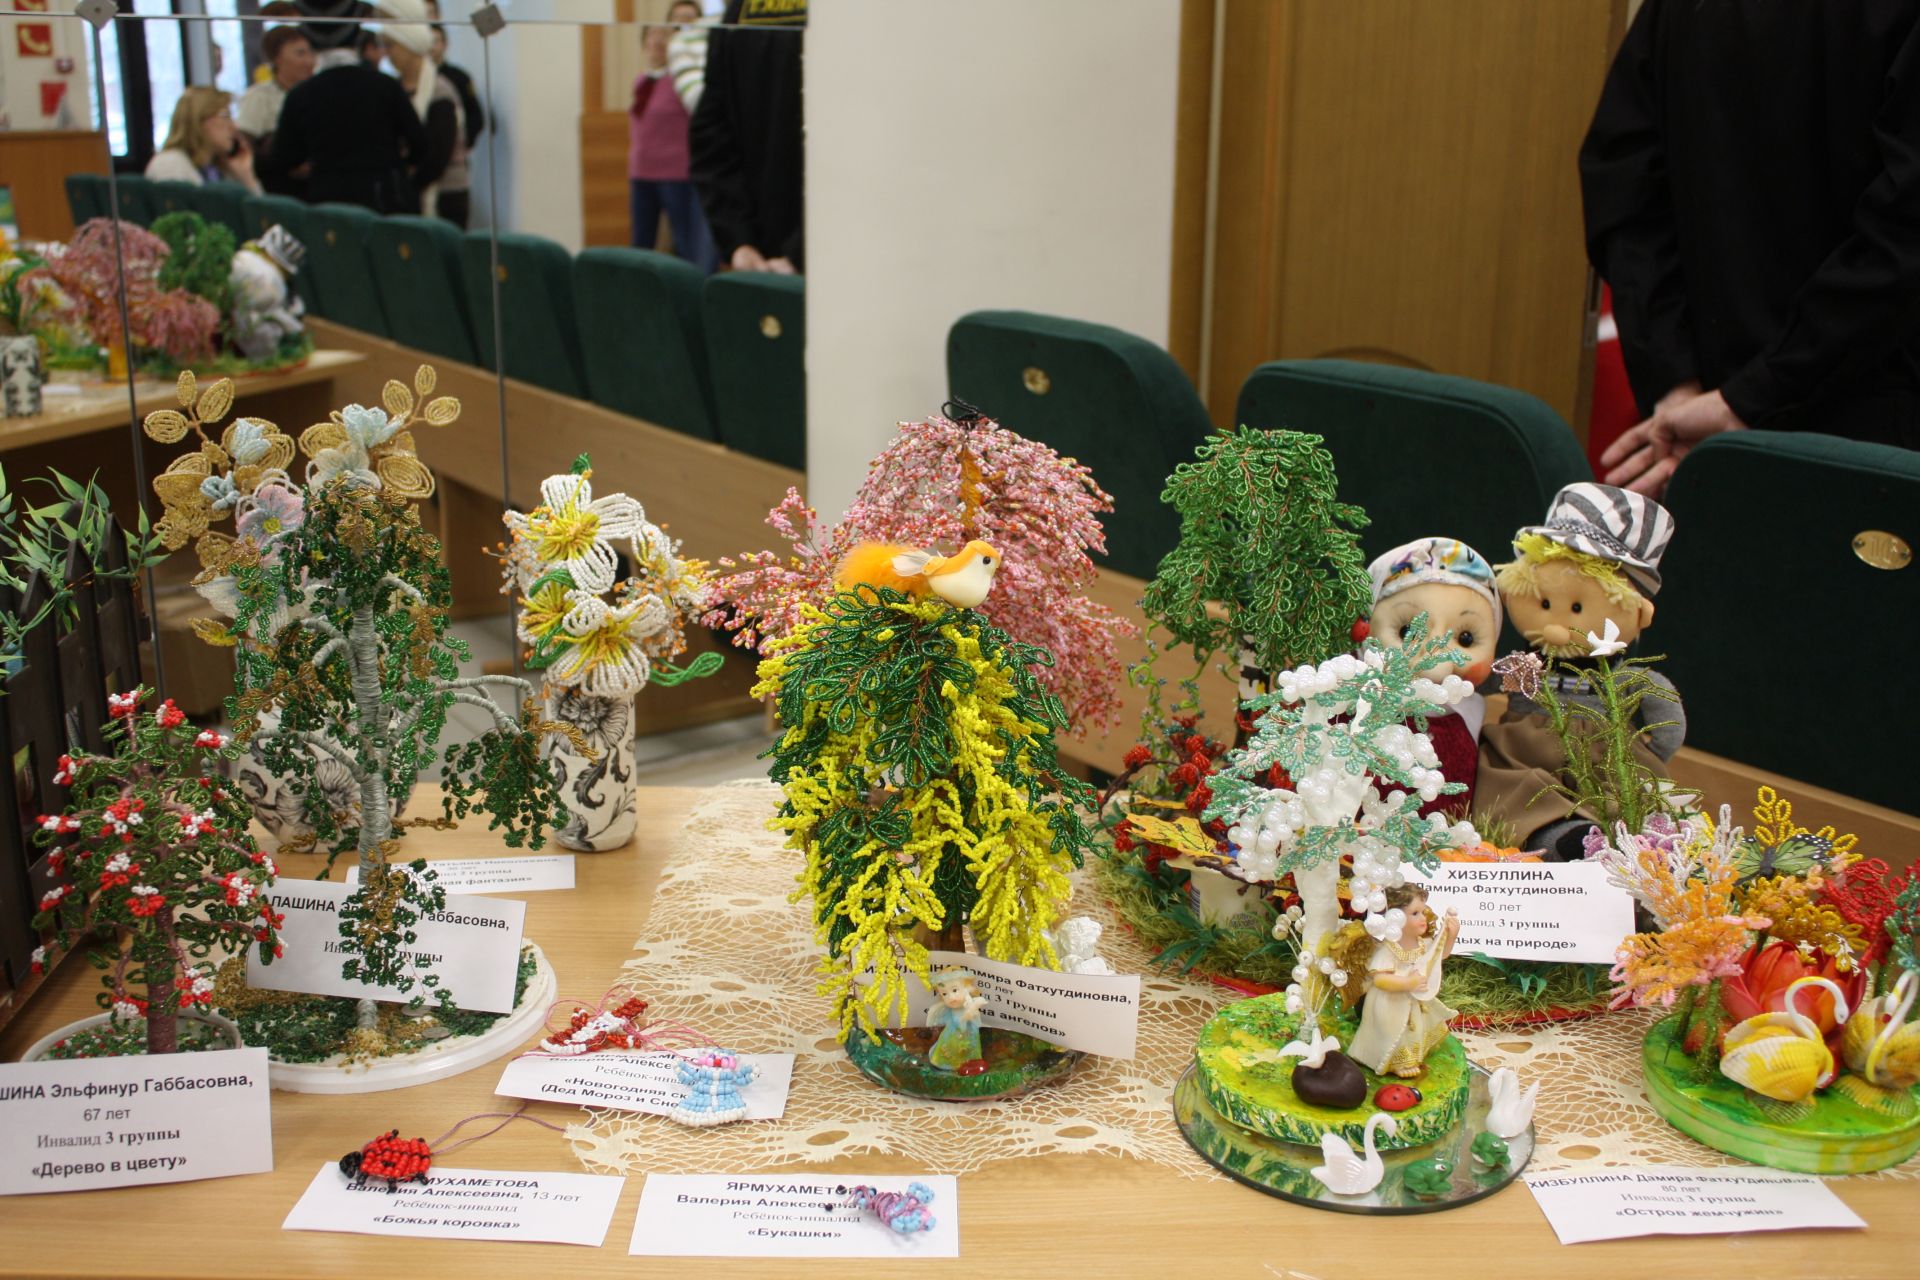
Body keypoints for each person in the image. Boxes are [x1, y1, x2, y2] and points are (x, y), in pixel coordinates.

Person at [1582, 1, 1920, 497]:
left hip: (1695, 433)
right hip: (1864, 453)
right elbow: (1904, 242)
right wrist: (1742, 398)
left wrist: (1678, 382)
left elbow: (1623, 179)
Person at [260, 11, 428, 213]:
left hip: (329, 203)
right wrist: (399, 166)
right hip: (385, 196)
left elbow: (283, 157)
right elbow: (419, 143)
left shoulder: (302, 95)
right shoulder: (385, 86)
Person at [690, 0, 805, 274]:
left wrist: (740, 239)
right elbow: (713, 129)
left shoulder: (740, 10)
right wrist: (740, 239)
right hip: (778, 257)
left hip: (773, 256)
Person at [630, 1, 716, 269]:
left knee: (685, 243)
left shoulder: (684, 78)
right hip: (641, 172)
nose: (658, 41)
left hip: (676, 172)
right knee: (639, 244)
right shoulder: (642, 80)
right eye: (652, 36)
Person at [1345, 886, 1460, 1079]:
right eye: (1415, 913)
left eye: (1423, 911)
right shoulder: (1388, 950)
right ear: (1394, 918)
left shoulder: (1422, 943)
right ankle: (1397, 1062)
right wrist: (1408, 982)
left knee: (1414, 1032)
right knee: (1394, 1034)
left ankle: (1412, 1056)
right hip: (1390, 1005)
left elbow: (1439, 956)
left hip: (1414, 1002)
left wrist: (1451, 935)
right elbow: (1380, 980)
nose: (1424, 917)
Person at [378, 0, 468, 226]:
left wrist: (409, 186)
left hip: (444, 194)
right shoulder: (394, 88)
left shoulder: (440, 90)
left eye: (392, 46)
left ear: (409, 46)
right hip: (407, 192)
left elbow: (438, 153)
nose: (388, 54)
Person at [235, 24, 315, 198]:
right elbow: (244, 145)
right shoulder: (260, 96)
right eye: (300, 53)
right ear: (277, 58)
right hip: (278, 189)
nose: (309, 61)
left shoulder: (318, 95)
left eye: (311, 52)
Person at [145, 88, 262, 192]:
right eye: (225, 115)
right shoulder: (170, 164)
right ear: (197, 120)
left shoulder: (218, 168)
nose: (234, 126)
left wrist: (246, 176)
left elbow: (261, 215)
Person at [424, 2, 484, 151]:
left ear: (445, 44)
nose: (432, 47)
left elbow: (476, 117)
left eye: (436, 41)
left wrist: (463, 144)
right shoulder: (414, 77)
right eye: (428, 42)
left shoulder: (459, 77)